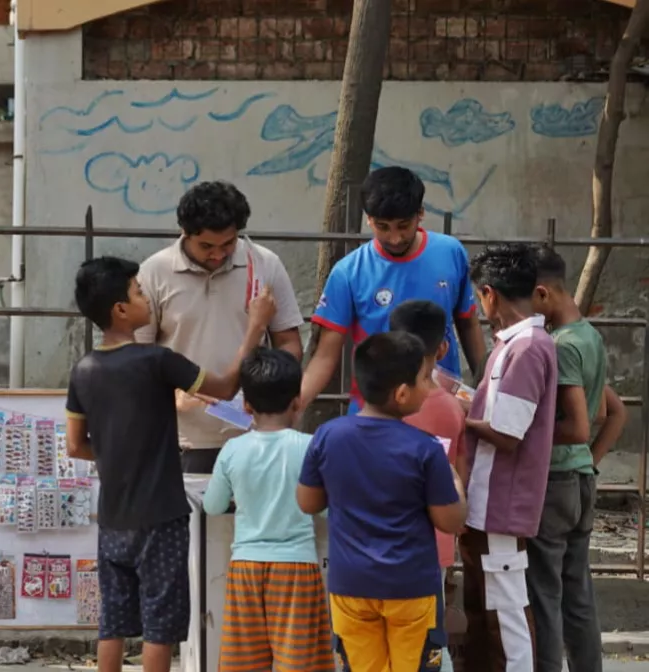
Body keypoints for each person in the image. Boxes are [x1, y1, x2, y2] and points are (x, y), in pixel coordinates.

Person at [64, 256, 276, 672]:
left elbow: (76, 446)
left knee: (113, 622)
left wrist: (114, 455)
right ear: (121, 310)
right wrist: (255, 327)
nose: (146, 297)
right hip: (161, 516)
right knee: (159, 628)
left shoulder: (83, 370)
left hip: (112, 517)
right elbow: (226, 385)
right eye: (139, 292)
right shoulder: (157, 360)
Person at [297, 331, 466, 672]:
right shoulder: (426, 449)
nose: (428, 386)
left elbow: (308, 502)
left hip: (350, 586)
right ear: (402, 394)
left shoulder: (328, 436)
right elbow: (451, 521)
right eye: (424, 378)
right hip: (412, 588)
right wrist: (456, 483)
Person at [134, 180, 304, 474]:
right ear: (184, 233)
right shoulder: (154, 272)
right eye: (206, 247)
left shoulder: (265, 264)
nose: (218, 254)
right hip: (181, 437)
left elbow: (288, 342)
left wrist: (271, 390)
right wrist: (173, 393)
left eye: (228, 244)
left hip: (255, 434)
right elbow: (138, 357)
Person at [301, 166, 487, 414]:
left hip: (440, 410)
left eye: (403, 225)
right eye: (383, 227)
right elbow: (325, 355)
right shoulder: (348, 272)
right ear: (368, 219)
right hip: (375, 414)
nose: (395, 238)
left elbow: (468, 324)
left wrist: (486, 392)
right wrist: (293, 407)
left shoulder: (451, 253)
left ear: (420, 214)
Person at [526, 245, 627, 672]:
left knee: (545, 595)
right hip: (581, 479)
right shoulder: (590, 336)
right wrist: (590, 462)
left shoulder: (560, 345)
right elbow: (608, 413)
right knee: (578, 592)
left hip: (555, 482)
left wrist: (524, 437)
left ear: (543, 293)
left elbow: (581, 425)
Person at [202, 348, 334, 671]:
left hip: (245, 567)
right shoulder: (310, 447)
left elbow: (212, 505)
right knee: (300, 664)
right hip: (297, 569)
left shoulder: (233, 450)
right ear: (297, 402)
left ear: (246, 406)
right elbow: (329, 511)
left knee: (245, 663)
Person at [461, 243, 557, 672]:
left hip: (502, 504)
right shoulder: (516, 345)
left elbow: (506, 433)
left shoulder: (526, 348)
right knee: (488, 610)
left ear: (489, 294)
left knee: (506, 613)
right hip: (489, 504)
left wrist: (463, 414)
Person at [390, 299, 467, 672]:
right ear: (443, 348)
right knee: (429, 640)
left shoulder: (386, 403)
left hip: (382, 540)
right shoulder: (452, 407)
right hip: (435, 538)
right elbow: (460, 474)